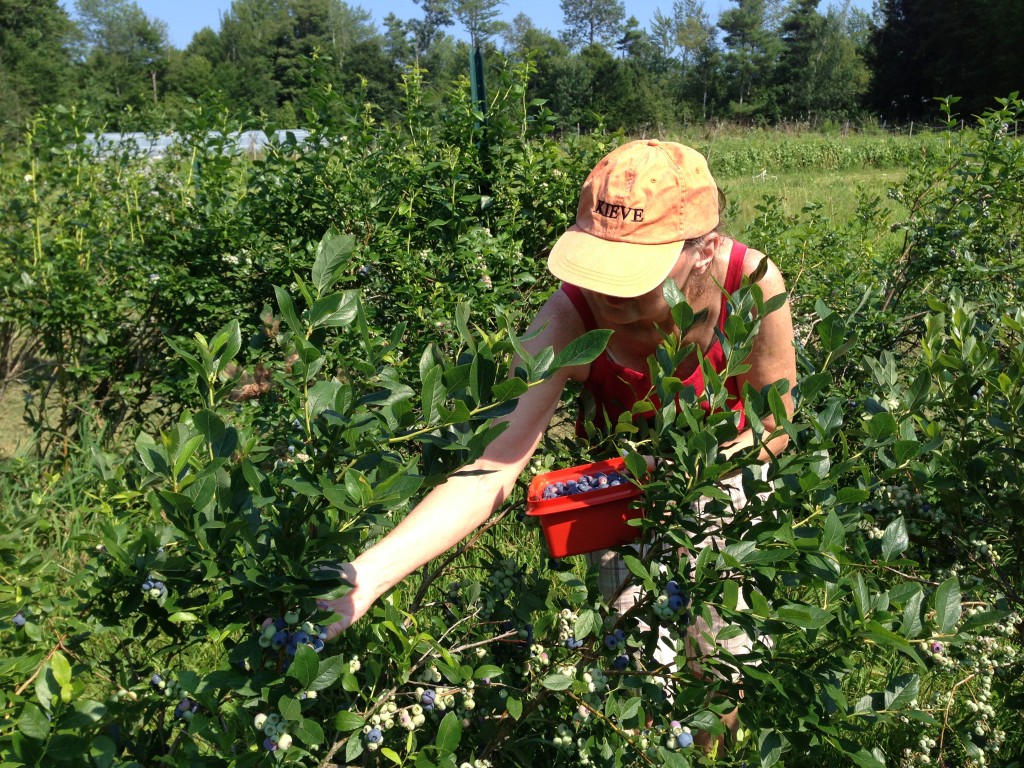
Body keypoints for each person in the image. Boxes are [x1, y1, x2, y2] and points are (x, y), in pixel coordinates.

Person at [317, 141, 797, 705]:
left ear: (705, 247)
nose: (608, 290)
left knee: (716, 656)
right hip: (614, 492)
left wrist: (696, 469)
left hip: (723, 471)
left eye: (634, 271)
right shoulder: (569, 316)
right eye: (599, 263)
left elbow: (774, 424)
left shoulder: (751, 284)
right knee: (634, 655)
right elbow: (491, 466)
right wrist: (368, 576)